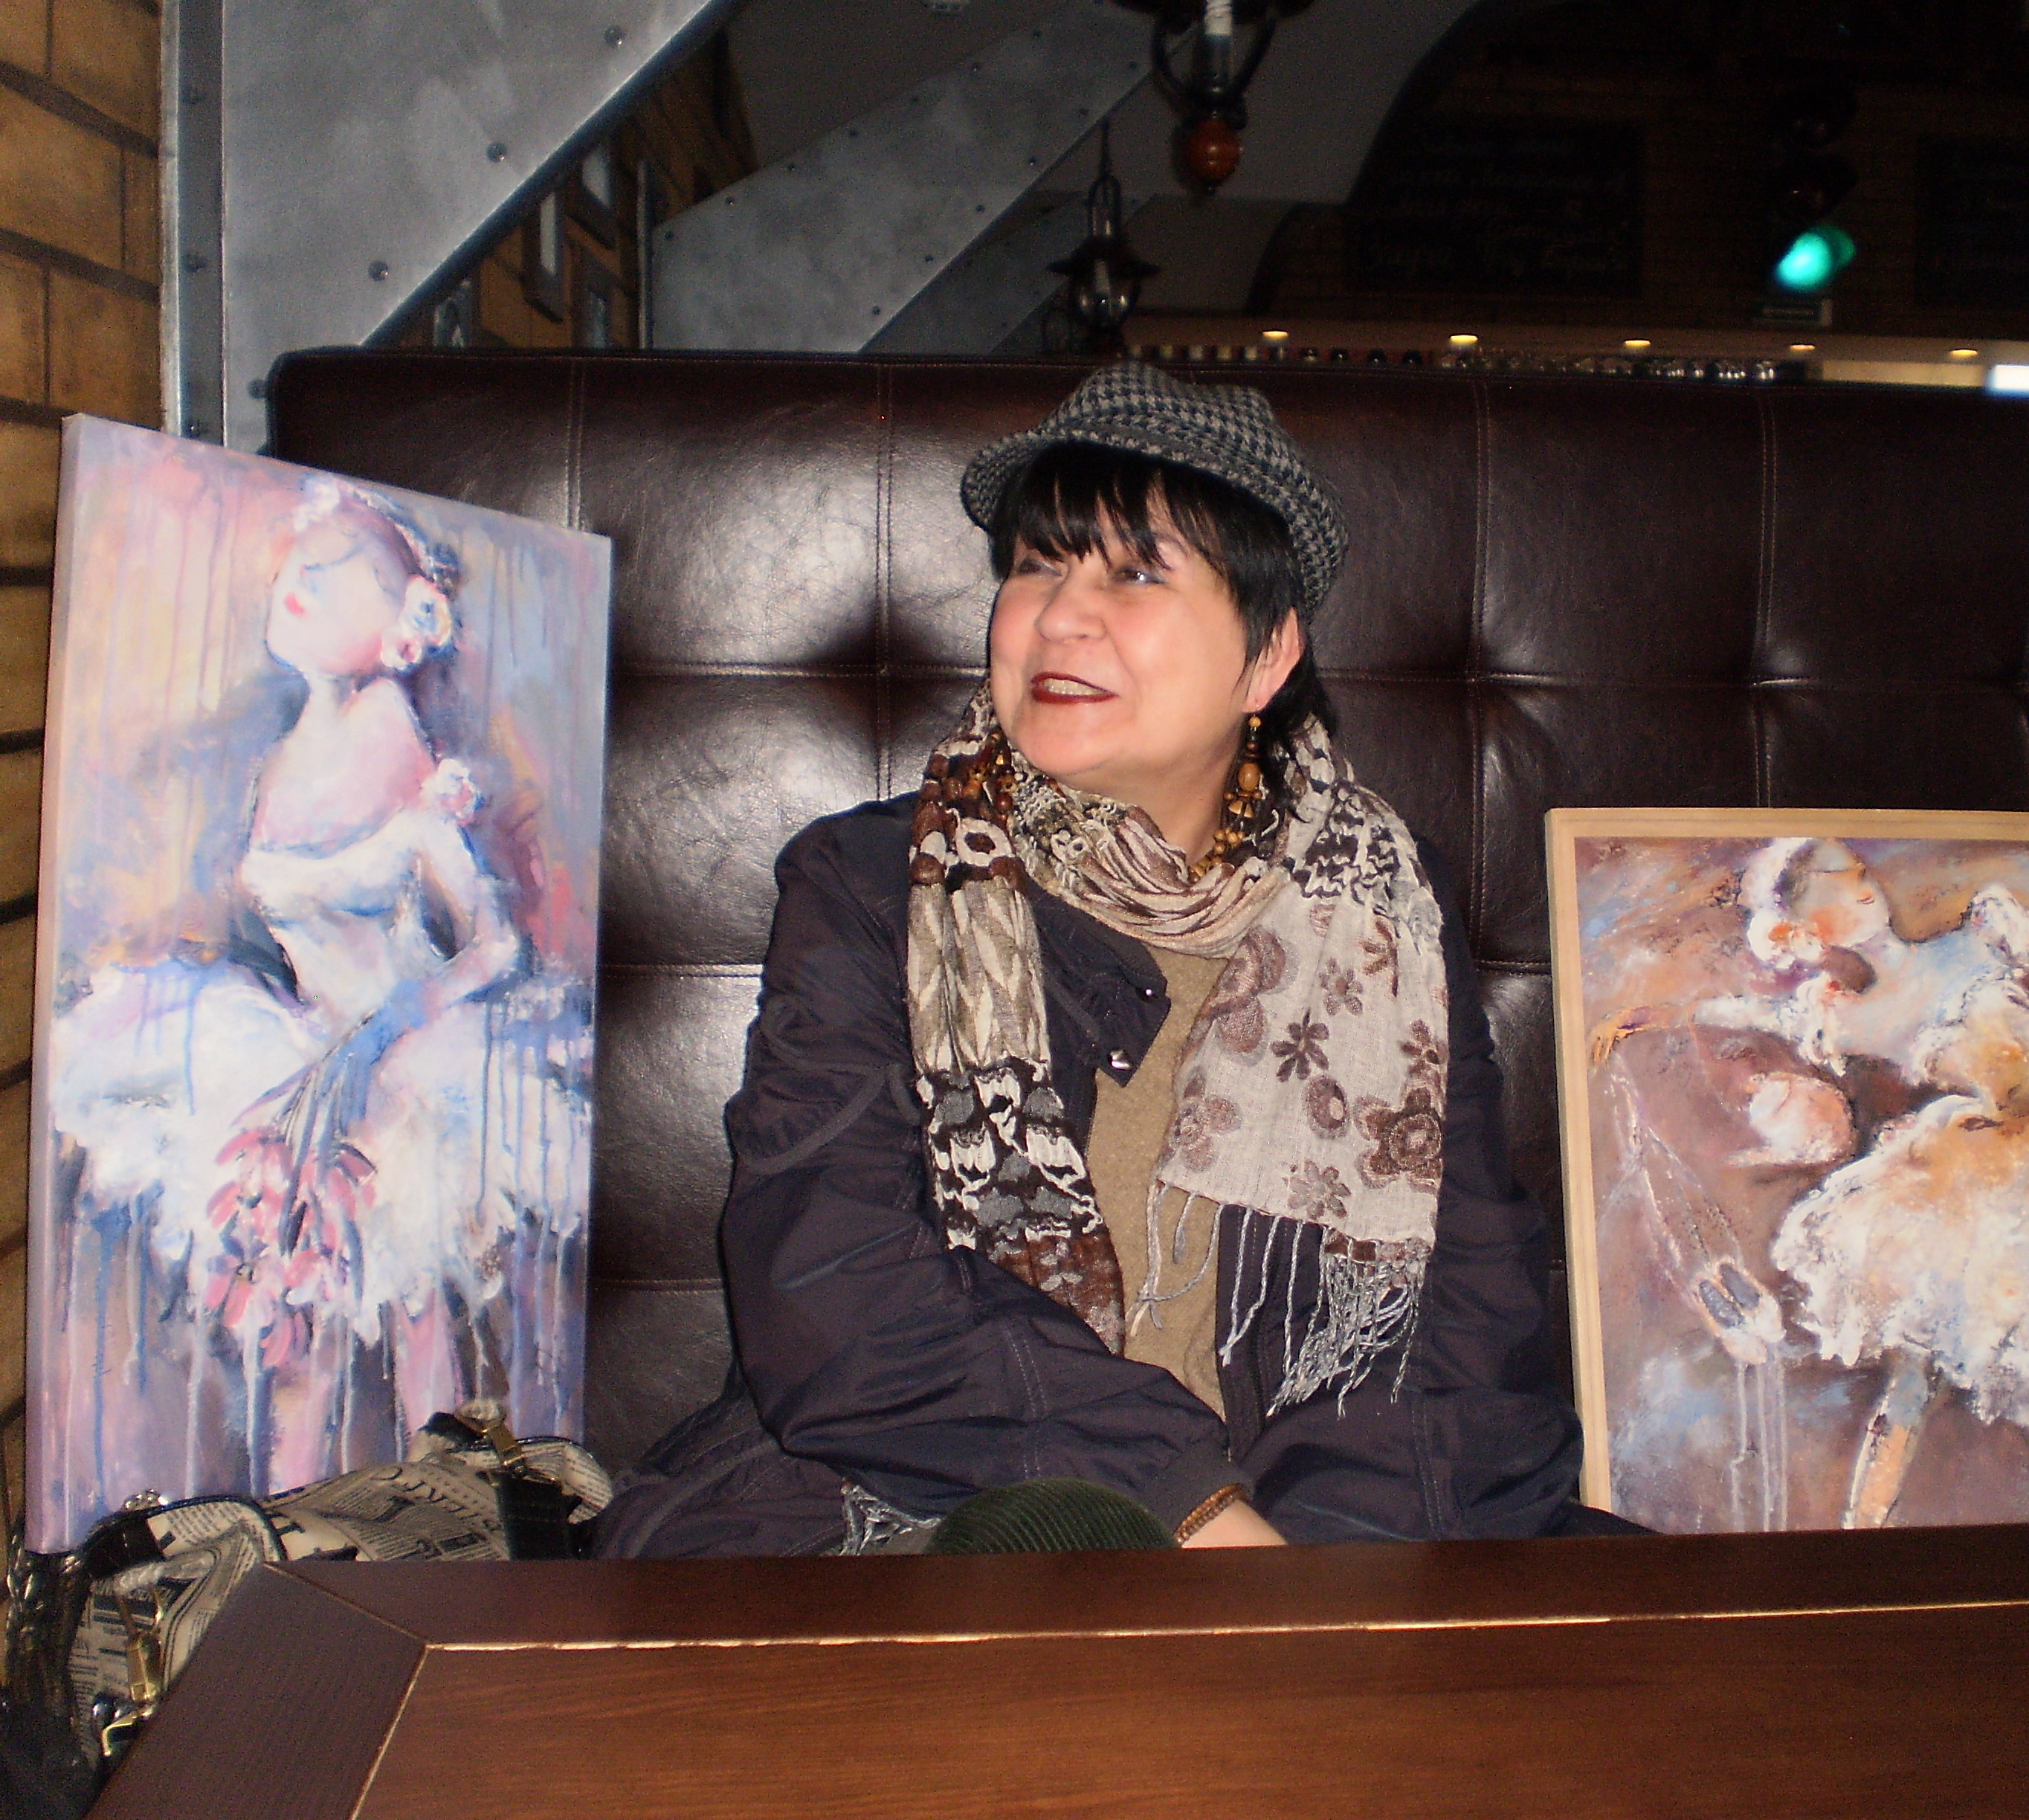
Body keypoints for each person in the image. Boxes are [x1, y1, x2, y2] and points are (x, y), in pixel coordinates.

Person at [600, 364, 1604, 1555]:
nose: (1058, 617)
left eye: (1134, 572)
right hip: (940, 1508)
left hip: (1306, 1546)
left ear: (1266, 658)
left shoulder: (1387, 913)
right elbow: (839, 1290)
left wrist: (1335, 1583)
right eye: (1037, 565)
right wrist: (1191, 1509)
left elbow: (1469, 1316)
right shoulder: (873, 886)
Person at [48, 477, 588, 1511]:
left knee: (414, 1325)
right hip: (293, 1058)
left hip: (405, 1069)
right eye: (299, 566)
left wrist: (403, 1018)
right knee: (294, 1340)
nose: (298, 584)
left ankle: (452, 1548)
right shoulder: (277, 766)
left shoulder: (409, 760)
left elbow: (494, 944)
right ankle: (286, 1555)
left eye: (335, 575)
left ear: (400, 625)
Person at [1590, 838, 2029, 1528]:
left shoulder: (1978, 938)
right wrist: (1654, 1017)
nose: (1861, 886)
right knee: (1918, 1377)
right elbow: (1749, 1012)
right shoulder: (1851, 1015)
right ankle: (1859, 1534)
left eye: (1858, 873)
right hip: (2003, 1170)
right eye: (1835, 884)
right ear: (1809, 929)